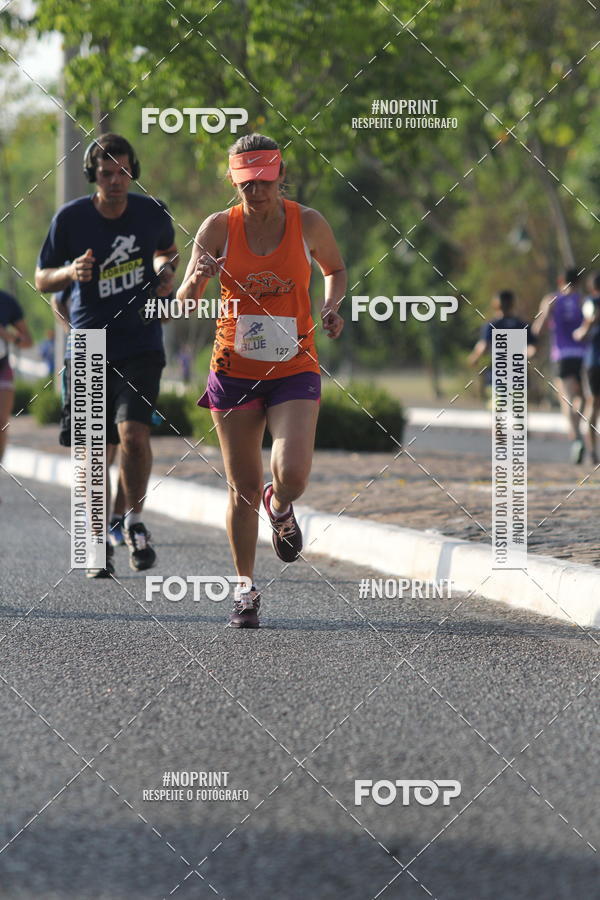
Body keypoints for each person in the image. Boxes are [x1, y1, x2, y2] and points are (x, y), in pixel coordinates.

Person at [177, 133, 346, 628]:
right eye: (247, 184)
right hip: (234, 370)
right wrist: (196, 278)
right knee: (242, 488)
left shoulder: (307, 222)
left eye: (265, 182)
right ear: (234, 182)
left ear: (280, 175)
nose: (257, 192)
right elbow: (186, 298)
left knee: (291, 473)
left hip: (293, 365)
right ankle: (245, 590)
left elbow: (334, 268)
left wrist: (331, 306)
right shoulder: (217, 228)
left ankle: (282, 504)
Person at [35, 133, 179, 576]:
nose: (116, 181)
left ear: (132, 172)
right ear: (92, 177)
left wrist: (165, 274)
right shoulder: (71, 219)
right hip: (88, 345)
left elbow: (166, 253)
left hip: (140, 342)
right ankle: (97, 540)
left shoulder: (151, 212)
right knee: (93, 453)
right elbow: (42, 279)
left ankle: (133, 522)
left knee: (134, 438)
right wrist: (69, 272)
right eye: (106, 173)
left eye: (123, 172)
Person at [532, 268, 585, 463]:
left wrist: (532, 346)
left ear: (560, 280)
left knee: (567, 399)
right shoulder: (584, 300)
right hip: (583, 355)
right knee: (583, 399)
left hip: (561, 355)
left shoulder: (551, 300)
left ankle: (576, 438)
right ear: (579, 282)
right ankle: (580, 432)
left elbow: (538, 327)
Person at [468, 290, 537, 399]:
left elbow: (483, 345)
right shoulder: (522, 325)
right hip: (517, 374)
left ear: (495, 304)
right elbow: (531, 348)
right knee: (517, 410)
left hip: (498, 374)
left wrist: (474, 357)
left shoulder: (492, 325)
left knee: (499, 409)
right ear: (513, 304)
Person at [0, 287, 32, 467]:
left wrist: (8, 336)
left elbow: (28, 341)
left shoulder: (6, 301)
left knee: (1, 425)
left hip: (2, 368)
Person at [573, 272, 600, 464]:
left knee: (593, 405)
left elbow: (579, 335)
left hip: (593, 363)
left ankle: (591, 451)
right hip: (594, 361)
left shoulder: (589, 302)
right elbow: (581, 334)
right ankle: (591, 452)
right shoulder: (591, 303)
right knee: (593, 405)